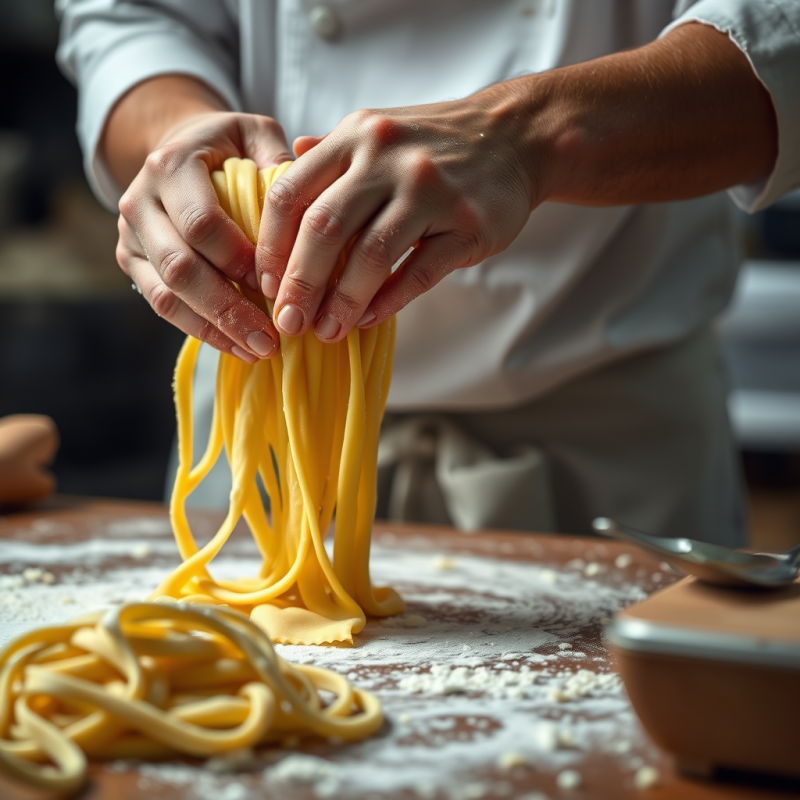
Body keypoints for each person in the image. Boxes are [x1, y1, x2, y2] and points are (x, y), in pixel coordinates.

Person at [57, 0, 799, 544]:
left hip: (607, 465)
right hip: (261, 456)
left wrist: (532, 136)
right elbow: (128, 18)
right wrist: (175, 134)